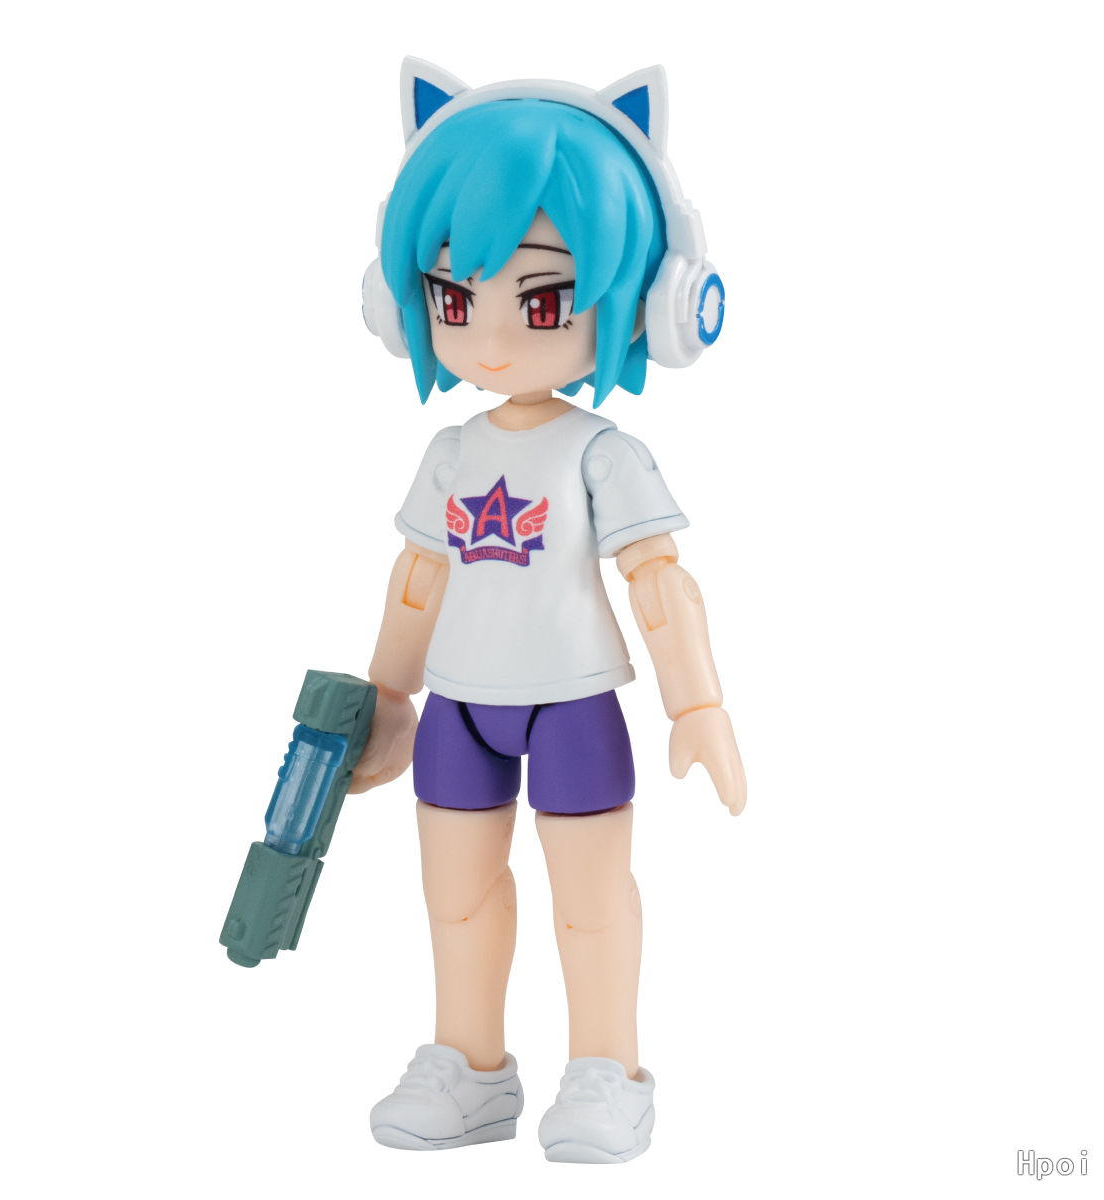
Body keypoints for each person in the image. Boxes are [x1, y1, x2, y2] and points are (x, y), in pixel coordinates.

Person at [352, 62, 746, 1164]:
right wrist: (385, 693)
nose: (490, 336)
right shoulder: (450, 452)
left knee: (590, 900)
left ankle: (606, 1071)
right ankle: (469, 1065)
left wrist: (699, 704)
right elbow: (417, 582)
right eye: (451, 297)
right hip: (458, 709)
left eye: (540, 302)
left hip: (572, 705)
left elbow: (659, 582)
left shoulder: (600, 453)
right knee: (455, 896)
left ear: (653, 304)